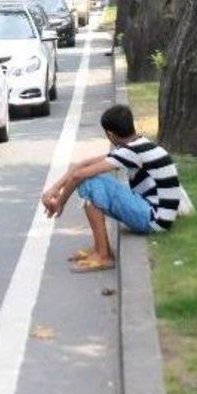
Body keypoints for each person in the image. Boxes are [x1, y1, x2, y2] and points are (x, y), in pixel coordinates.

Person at [41, 104, 181, 273]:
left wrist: (60, 203)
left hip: (153, 219)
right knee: (90, 178)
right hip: (157, 213)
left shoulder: (130, 152)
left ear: (110, 134)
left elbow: (79, 175)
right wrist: (55, 188)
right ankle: (101, 248)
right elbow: (82, 164)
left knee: (88, 183)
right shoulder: (138, 144)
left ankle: (103, 255)